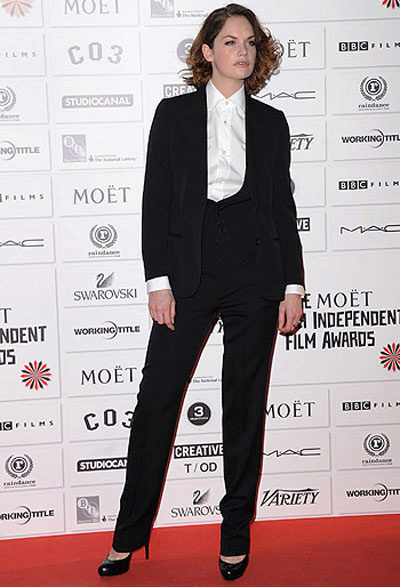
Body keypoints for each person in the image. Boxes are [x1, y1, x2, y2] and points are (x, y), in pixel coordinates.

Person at [98, 3, 305, 581]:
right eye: (230, 41)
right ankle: (128, 536)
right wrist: (158, 281)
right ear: (208, 52)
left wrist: (292, 284)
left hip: (255, 276)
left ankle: (235, 534)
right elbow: (155, 201)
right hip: (188, 275)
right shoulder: (174, 115)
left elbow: (282, 208)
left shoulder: (272, 123)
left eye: (251, 42)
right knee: (156, 402)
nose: (243, 51)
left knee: (244, 407)